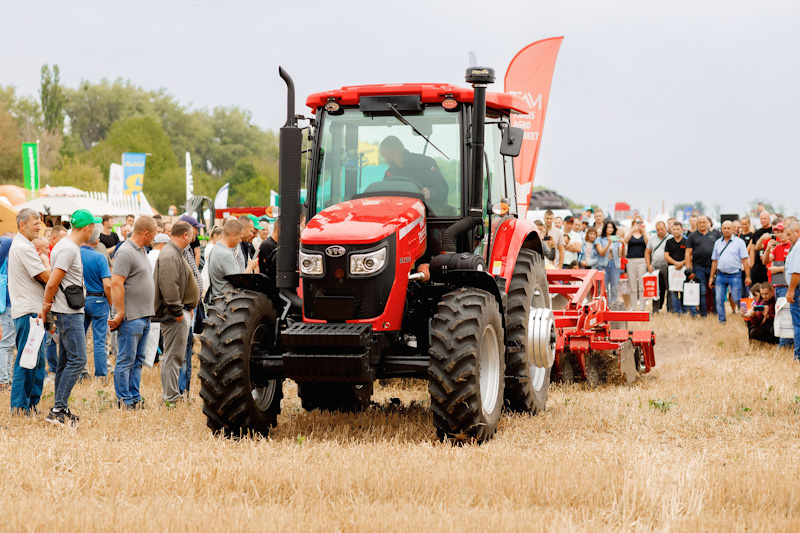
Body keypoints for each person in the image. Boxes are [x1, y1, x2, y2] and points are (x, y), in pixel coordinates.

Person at [40, 209, 99, 426]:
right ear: (87, 228)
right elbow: (53, 282)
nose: (95, 229)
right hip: (68, 313)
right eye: (94, 225)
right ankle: (57, 410)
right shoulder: (67, 249)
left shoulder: (66, 246)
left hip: (66, 311)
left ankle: (61, 408)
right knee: (79, 360)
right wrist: (46, 307)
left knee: (65, 361)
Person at [109, 216, 157, 408]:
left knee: (137, 361)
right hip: (131, 317)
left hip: (143, 315)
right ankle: (124, 400)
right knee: (126, 360)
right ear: (146, 233)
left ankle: (134, 397)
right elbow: (116, 283)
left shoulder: (141, 250)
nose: (155, 237)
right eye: (153, 234)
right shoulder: (126, 252)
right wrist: (120, 312)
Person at [8, 209, 50, 415]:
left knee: (37, 360)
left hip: (32, 311)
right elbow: (46, 276)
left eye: (40, 222)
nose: (39, 226)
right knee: (27, 359)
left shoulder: (24, 246)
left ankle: (30, 404)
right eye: (35, 223)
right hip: (28, 312)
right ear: (21, 224)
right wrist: (50, 265)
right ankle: (19, 406)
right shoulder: (23, 248)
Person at [153, 221, 199, 406]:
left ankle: (171, 395)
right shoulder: (170, 254)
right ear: (185, 235)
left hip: (178, 312)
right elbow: (169, 286)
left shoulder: (173, 252)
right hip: (174, 315)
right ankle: (171, 397)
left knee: (174, 356)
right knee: (173, 356)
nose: (195, 236)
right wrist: (177, 311)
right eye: (193, 233)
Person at [176, 215, 205, 396]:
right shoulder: (180, 251)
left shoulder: (187, 249)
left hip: (191, 307)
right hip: (185, 308)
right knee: (182, 353)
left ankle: (184, 391)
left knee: (187, 350)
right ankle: (179, 391)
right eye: (196, 228)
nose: (198, 232)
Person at [379, 135, 449, 206]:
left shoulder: (426, 163)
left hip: (428, 214)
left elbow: (443, 189)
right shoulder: (390, 173)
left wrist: (430, 192)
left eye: (384, 156)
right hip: (399, 214)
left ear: (390, 154)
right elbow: (383, 195)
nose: (385, 161)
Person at [80, 226, 113, 379]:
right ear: (97, 240)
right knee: (99, 341)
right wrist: (111, 302)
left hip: (79, 300)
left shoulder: (76, 254)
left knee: (80, 338)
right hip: (99, 300)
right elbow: (107, 284)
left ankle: (81, 371)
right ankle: (101, 375)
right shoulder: (100, 257)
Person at [709, 220, 751, 324]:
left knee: (737, 299)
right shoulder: (718, 243)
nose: (726, 230)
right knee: (719, 299)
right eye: (724, 228)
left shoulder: (739, 242)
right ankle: (722, 321)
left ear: (733, 229)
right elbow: (714, 261)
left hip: (735, 275)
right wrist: (711, 277)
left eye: (729, 228)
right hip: (720, 275)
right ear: (721, 229)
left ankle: (746, 317)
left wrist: (748, 276)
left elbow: (745, 260)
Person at [685, 215, 718, 317]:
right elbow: (687, 253)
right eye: (700, 222)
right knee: (702, 292)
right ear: (697, 224)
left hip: (713, 267)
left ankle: (716, 312)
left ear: (708, 223)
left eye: (704, 222)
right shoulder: (692, 236)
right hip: (699, 267)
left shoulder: (715, 234)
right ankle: (704, 314)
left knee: (715, 291)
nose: (702, 224)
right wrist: (689, 269)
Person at [207, 219, 244, 301]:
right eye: (240, 237)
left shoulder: (215, 248)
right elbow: (238, 283)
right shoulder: (226, 254)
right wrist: (249, 267)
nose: (240, 241)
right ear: (233, 235)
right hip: (227, 303)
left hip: (217, 300)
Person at [623, 216, 649, 311]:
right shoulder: (629, 233)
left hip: (642, 260)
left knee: (642, 285)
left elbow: (648, 243)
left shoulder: (644, 233)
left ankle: (642, 307)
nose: (638, 224)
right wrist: (632, 230)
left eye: (640, 222)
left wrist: (644, 230)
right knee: (632, 285)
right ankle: (633, 307)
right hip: (630, 261)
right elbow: (625, 241)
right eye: (636, 222)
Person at [645, 221, 671, 313]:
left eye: (661, 229)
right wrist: (649, 265)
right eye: (658, 230)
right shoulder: (652, 238)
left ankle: (670, 310)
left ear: (666, 228)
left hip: (667, 266)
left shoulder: (670, 238)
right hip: (655, 267)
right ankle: (656, 310)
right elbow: (647, 252)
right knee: (656, 290)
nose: (660, 231)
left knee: (669, 289)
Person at [783, 221, 800, 361]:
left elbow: (796, 272)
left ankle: (798, 355)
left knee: (798, 323)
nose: (787, 238)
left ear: (797, 232)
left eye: (789, 234)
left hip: (797, 290)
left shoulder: (798, 247)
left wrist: (791, 290)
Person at [664, 221, 688, 314]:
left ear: (682, 230)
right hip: (672, 269)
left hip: (684, 269)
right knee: (673, 291)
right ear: (671, 230)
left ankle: (684, 311)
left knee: (683, 291)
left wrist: (682, 263)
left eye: (678, 229)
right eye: (674, 229)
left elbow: (689, 255)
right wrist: (675, 263)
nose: (676, 231)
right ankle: (677, 311)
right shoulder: (669, 242)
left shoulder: (686, 241)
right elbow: (666, 255)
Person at [0, 235, 14, 392]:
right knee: (6, 344)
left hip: (5, 304)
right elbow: (8, 241)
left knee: (7, 344)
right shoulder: (2, 257)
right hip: (6, 305)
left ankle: (6, 379)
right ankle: (4, 381)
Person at [600, 221, 622, 303]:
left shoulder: (616, 238)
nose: (610, 229)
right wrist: (608, 244)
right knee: (604, 287)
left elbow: (621, 254)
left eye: (612, 227)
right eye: (608, 227)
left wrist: (622, 245)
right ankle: (605, 304)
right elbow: (601, 253)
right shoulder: (600, 239)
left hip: (615, 263)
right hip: (603, 264)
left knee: (614, 286)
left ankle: (613, 304)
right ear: (605, 228)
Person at [750, 211, 773, 286]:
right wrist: (752, 265)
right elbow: (753, 250)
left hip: (769, 263)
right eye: (761, 219)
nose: (763, 220)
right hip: (758, 266)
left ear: (769, 219)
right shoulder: (757, 233)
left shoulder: (773, 231)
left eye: (765, 218)